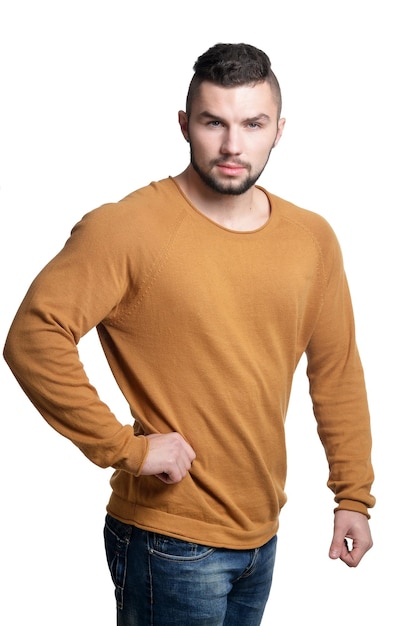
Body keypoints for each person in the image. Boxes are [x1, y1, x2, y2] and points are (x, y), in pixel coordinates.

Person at [3, 42, 375, 625]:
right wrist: (124, 449)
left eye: (252, 124)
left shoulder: (312, 238)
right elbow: (33, 336)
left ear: (279, 129)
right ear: (185, 125)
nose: (233, 146)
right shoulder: (127, 228)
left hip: (262, 534)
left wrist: (352, 495)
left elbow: (337, 370)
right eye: (213, 122)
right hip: (168, 541)